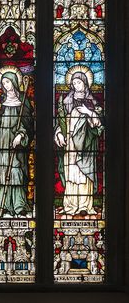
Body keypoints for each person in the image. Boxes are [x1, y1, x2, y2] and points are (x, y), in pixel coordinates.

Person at [54, 68, 104, 216]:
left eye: (79, 82)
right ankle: (70, 205)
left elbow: (99, 125)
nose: (76, 85)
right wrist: (58, 134)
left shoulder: (92, 101)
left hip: (86, 144)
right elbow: (60, 122)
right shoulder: (66, 101)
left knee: (84, 173)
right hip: (70, 142)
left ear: (85, 83)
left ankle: (84, 205)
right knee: (71, 173)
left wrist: (88, 112)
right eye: (74, 83)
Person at [0, 68, 34, 217]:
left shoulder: (23, 102)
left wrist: (21, 134)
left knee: (16, 172)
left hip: (16, 145)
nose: (5, 85)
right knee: (2, 173)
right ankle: (2, 205)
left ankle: (19, 206)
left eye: (8, 82)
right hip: (1, 143)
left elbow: (28, 123)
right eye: (3, 83)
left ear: (14, 82)